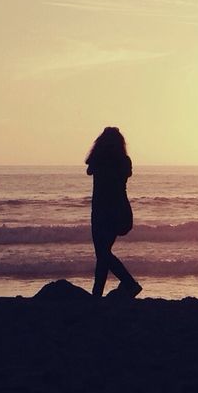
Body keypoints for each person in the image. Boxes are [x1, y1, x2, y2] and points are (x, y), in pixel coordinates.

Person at [86, 126, 141, 299]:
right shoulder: (124, 160)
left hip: (102, 211)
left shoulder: (99, 159)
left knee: (102, 253)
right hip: (119, 210)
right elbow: (127, 173)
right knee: (103, 254)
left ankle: (130, 284)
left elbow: (89, 169)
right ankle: (97, 294)